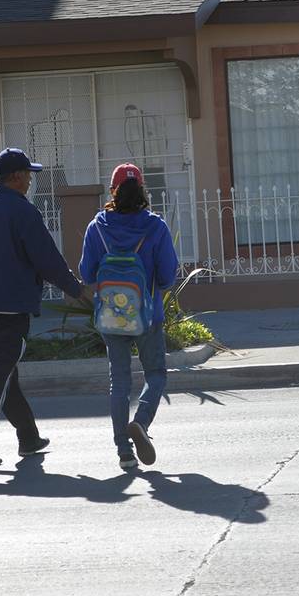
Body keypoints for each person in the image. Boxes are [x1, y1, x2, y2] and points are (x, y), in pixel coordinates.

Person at [0, 148, 91, 467]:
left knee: (6, 372)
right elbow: (46, 260)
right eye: (28, 174)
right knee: (1, 374)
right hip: (11, 308)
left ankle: (29, 437)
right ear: (16, 176)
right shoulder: (22, 211)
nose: (31, 180)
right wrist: (77, 291)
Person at [79, 163, 179, 469]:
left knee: (119, 382)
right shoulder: (156, 227)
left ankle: (123, 451)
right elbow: (167, 277)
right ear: (143, 191)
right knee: (156, 375)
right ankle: (142, 423)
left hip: (111, 316)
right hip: (148, 316)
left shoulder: (97, 228)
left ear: (113, 191)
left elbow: (85, 273)